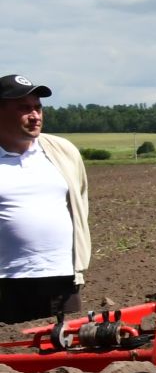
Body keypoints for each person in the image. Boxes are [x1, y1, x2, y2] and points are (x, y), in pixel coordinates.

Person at [0, 74, 90, 324]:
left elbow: (80, 200)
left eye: (38, 107)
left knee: (67, 354)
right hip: (7, 281)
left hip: (62, 277)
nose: (35, 115)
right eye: (24, 108)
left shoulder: (62, 152)